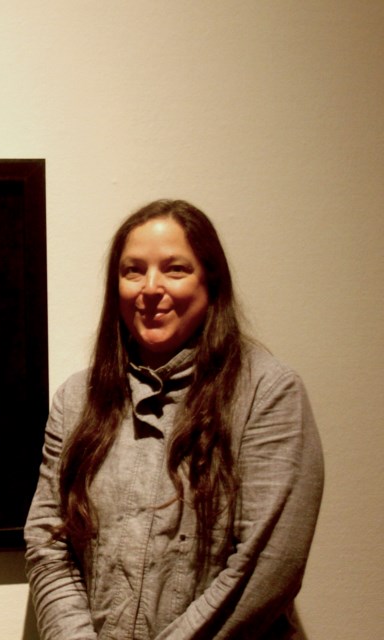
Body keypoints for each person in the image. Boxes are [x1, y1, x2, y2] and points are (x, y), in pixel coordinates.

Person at [25, 199, 324, 639]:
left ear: (211, 280)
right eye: (133, 270)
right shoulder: (77, 399)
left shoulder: (268, 393)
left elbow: (267, 567)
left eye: (175, 269)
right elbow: (49, 542)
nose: (150, 287)